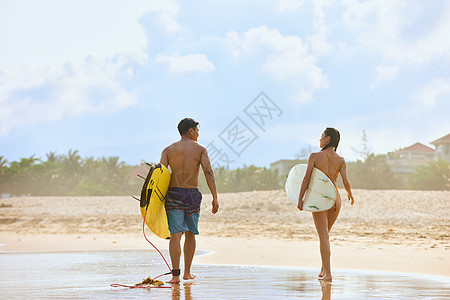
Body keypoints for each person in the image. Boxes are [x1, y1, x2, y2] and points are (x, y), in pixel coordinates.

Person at [160, 118, 219, 284]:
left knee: (175, 235)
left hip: (173, 194)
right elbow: (208, 172)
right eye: (197, 130)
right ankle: (187, 273)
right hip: (192, 194)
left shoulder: (168, 150)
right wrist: (215, 197)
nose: (198, 134)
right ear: (191, 131)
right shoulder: (200, 149)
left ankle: (176, 276)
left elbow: (160, 177)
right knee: (191, 234)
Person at [297, 127, 354, 282]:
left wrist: (300, 198)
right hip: (336, 199)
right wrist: (350, 194)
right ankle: (324, 268)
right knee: (326, 235)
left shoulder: (314, 156)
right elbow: (346, 182)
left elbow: (306, 178)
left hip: (320, 199)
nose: (319, 139)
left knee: (323, 237)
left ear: (328, 139)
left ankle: (328, 273)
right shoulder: (341, 160)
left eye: (321, 136)